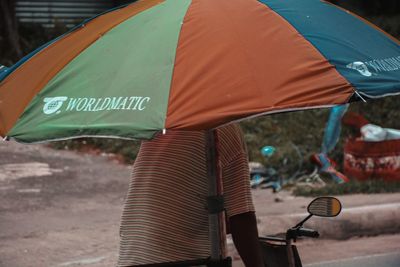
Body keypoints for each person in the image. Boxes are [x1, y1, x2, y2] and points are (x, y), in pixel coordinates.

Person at [117, 123, 264, 267]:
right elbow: (241, 216)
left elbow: (178, 200)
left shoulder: (165, 124)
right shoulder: (223, 127)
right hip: (180, 259)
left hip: (131, 256)